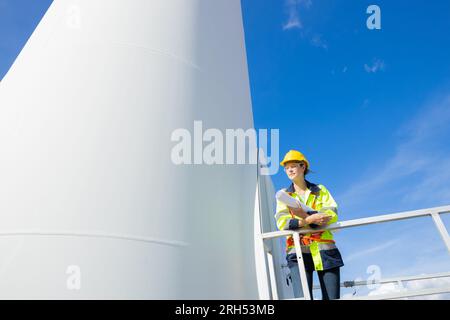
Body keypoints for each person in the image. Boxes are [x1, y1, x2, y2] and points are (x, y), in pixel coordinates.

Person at [275, 150, 344, 300]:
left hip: (325, 250)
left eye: (293, 166)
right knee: (303, 298)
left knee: (332, 299)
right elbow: (282, 222)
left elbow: (331, 213)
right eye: (286, 168)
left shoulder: (320, 190)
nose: (290, 170)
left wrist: (304, 216)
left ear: (303, 167)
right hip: (297, 251)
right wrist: (308, 221)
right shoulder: (283, 195)